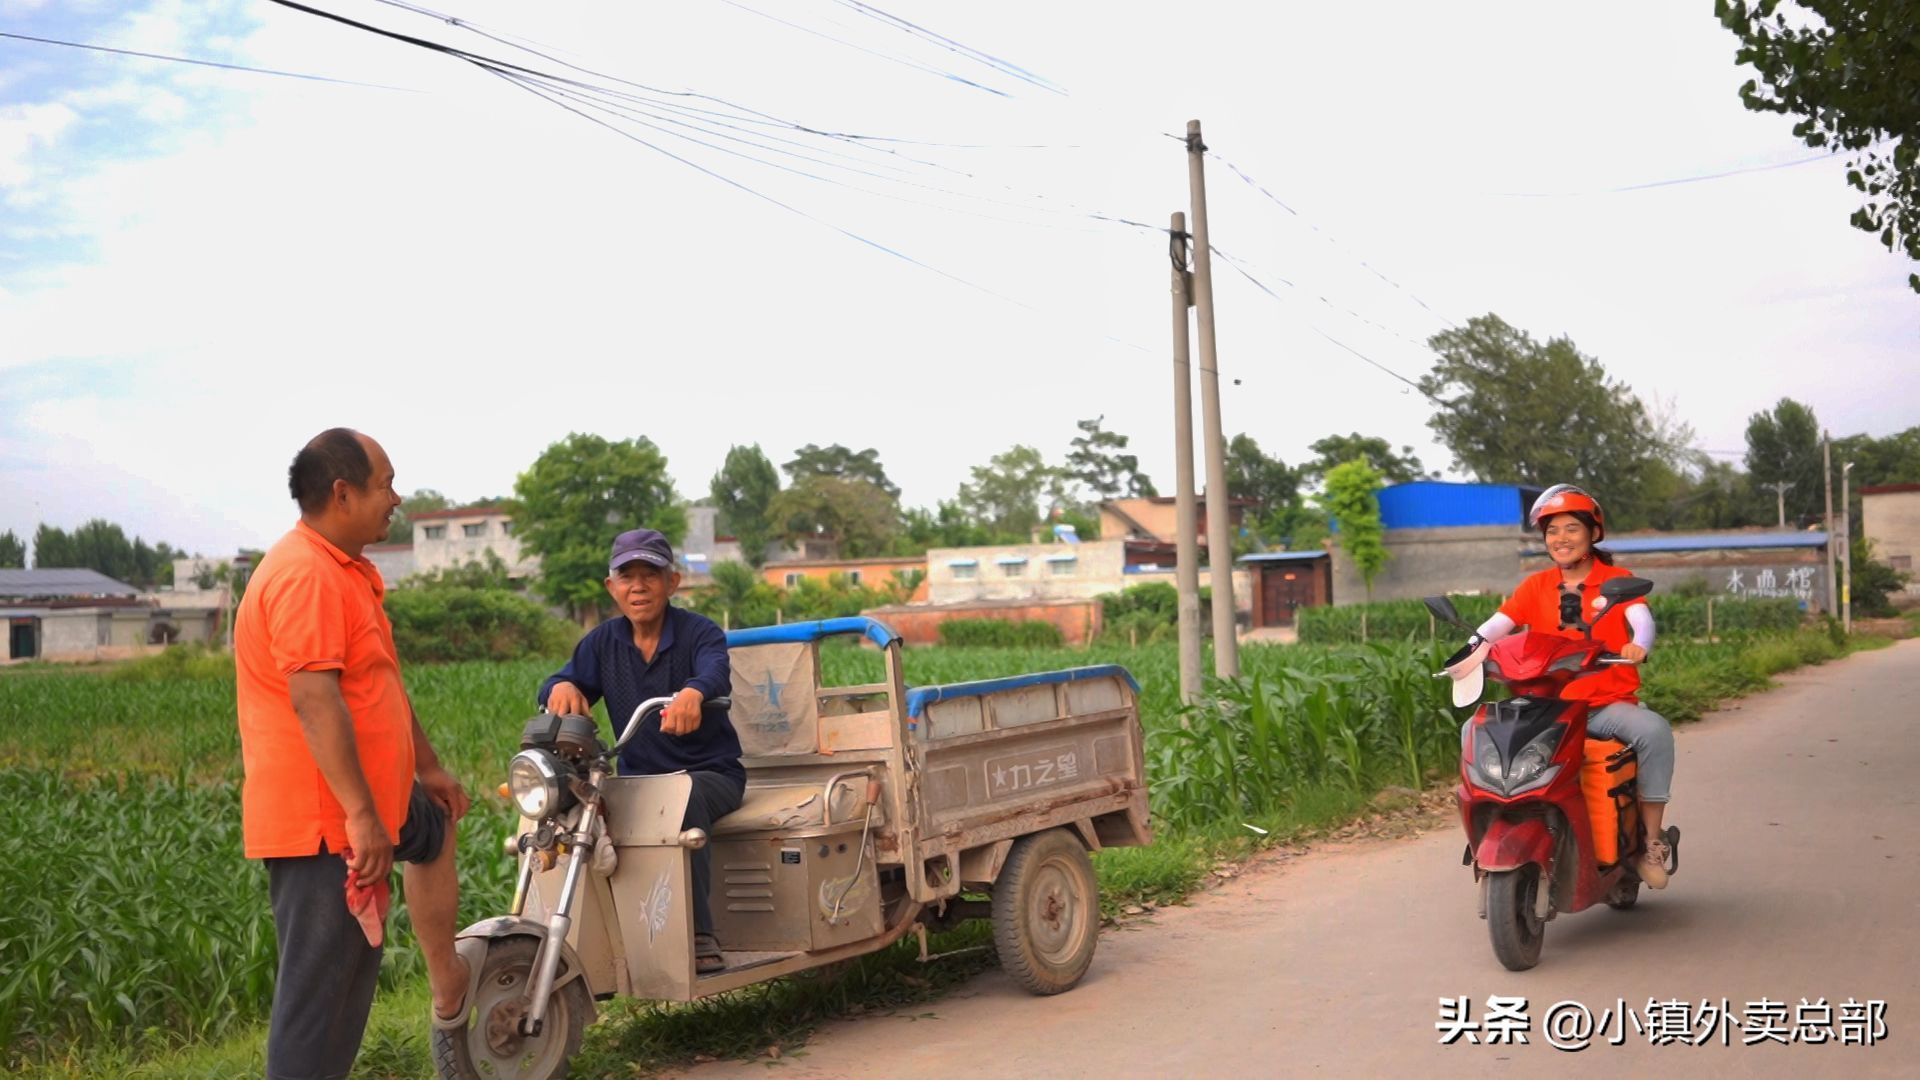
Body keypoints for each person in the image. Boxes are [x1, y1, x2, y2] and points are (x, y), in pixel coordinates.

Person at [235, 428, 473, 1080]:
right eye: (386, 484)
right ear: (343, 494)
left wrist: (426, 769)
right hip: (326, 826)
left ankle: (446, 978)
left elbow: (379, 684)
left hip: (373, 807)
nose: (396, 497)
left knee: (434, 826)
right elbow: (315, 701)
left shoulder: (345, 573)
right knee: (319, 1005)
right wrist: (361, 816)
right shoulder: (304, 575)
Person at [538, 528, 744, 974]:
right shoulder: (602, 643)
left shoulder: (699, 633)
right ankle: (582, 940)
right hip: (636, 780)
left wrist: (693, 694)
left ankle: (698, 934)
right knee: (563, 805)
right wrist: (563, 687)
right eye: (626, 576)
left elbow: (715, 671)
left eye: (649, 574)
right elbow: (557, 681)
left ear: (672, 582)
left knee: (682, 798)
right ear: (611, 588)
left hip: (710, 775)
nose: (638, 586)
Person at [1466, 484, 1676, 888]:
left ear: (1593, 533)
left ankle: (1651, 842)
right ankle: (1490, 831)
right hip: (1545, 708)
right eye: (1552, 531)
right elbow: (1498, 625)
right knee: (1471, 731)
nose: (1560, 538)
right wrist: (1470, 649)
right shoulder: (1535, 586)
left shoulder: (1617, 580)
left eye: (1571, 529)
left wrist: (1638, 645)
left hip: (1603, 707)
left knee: (1654, 731)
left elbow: (1641, 620)